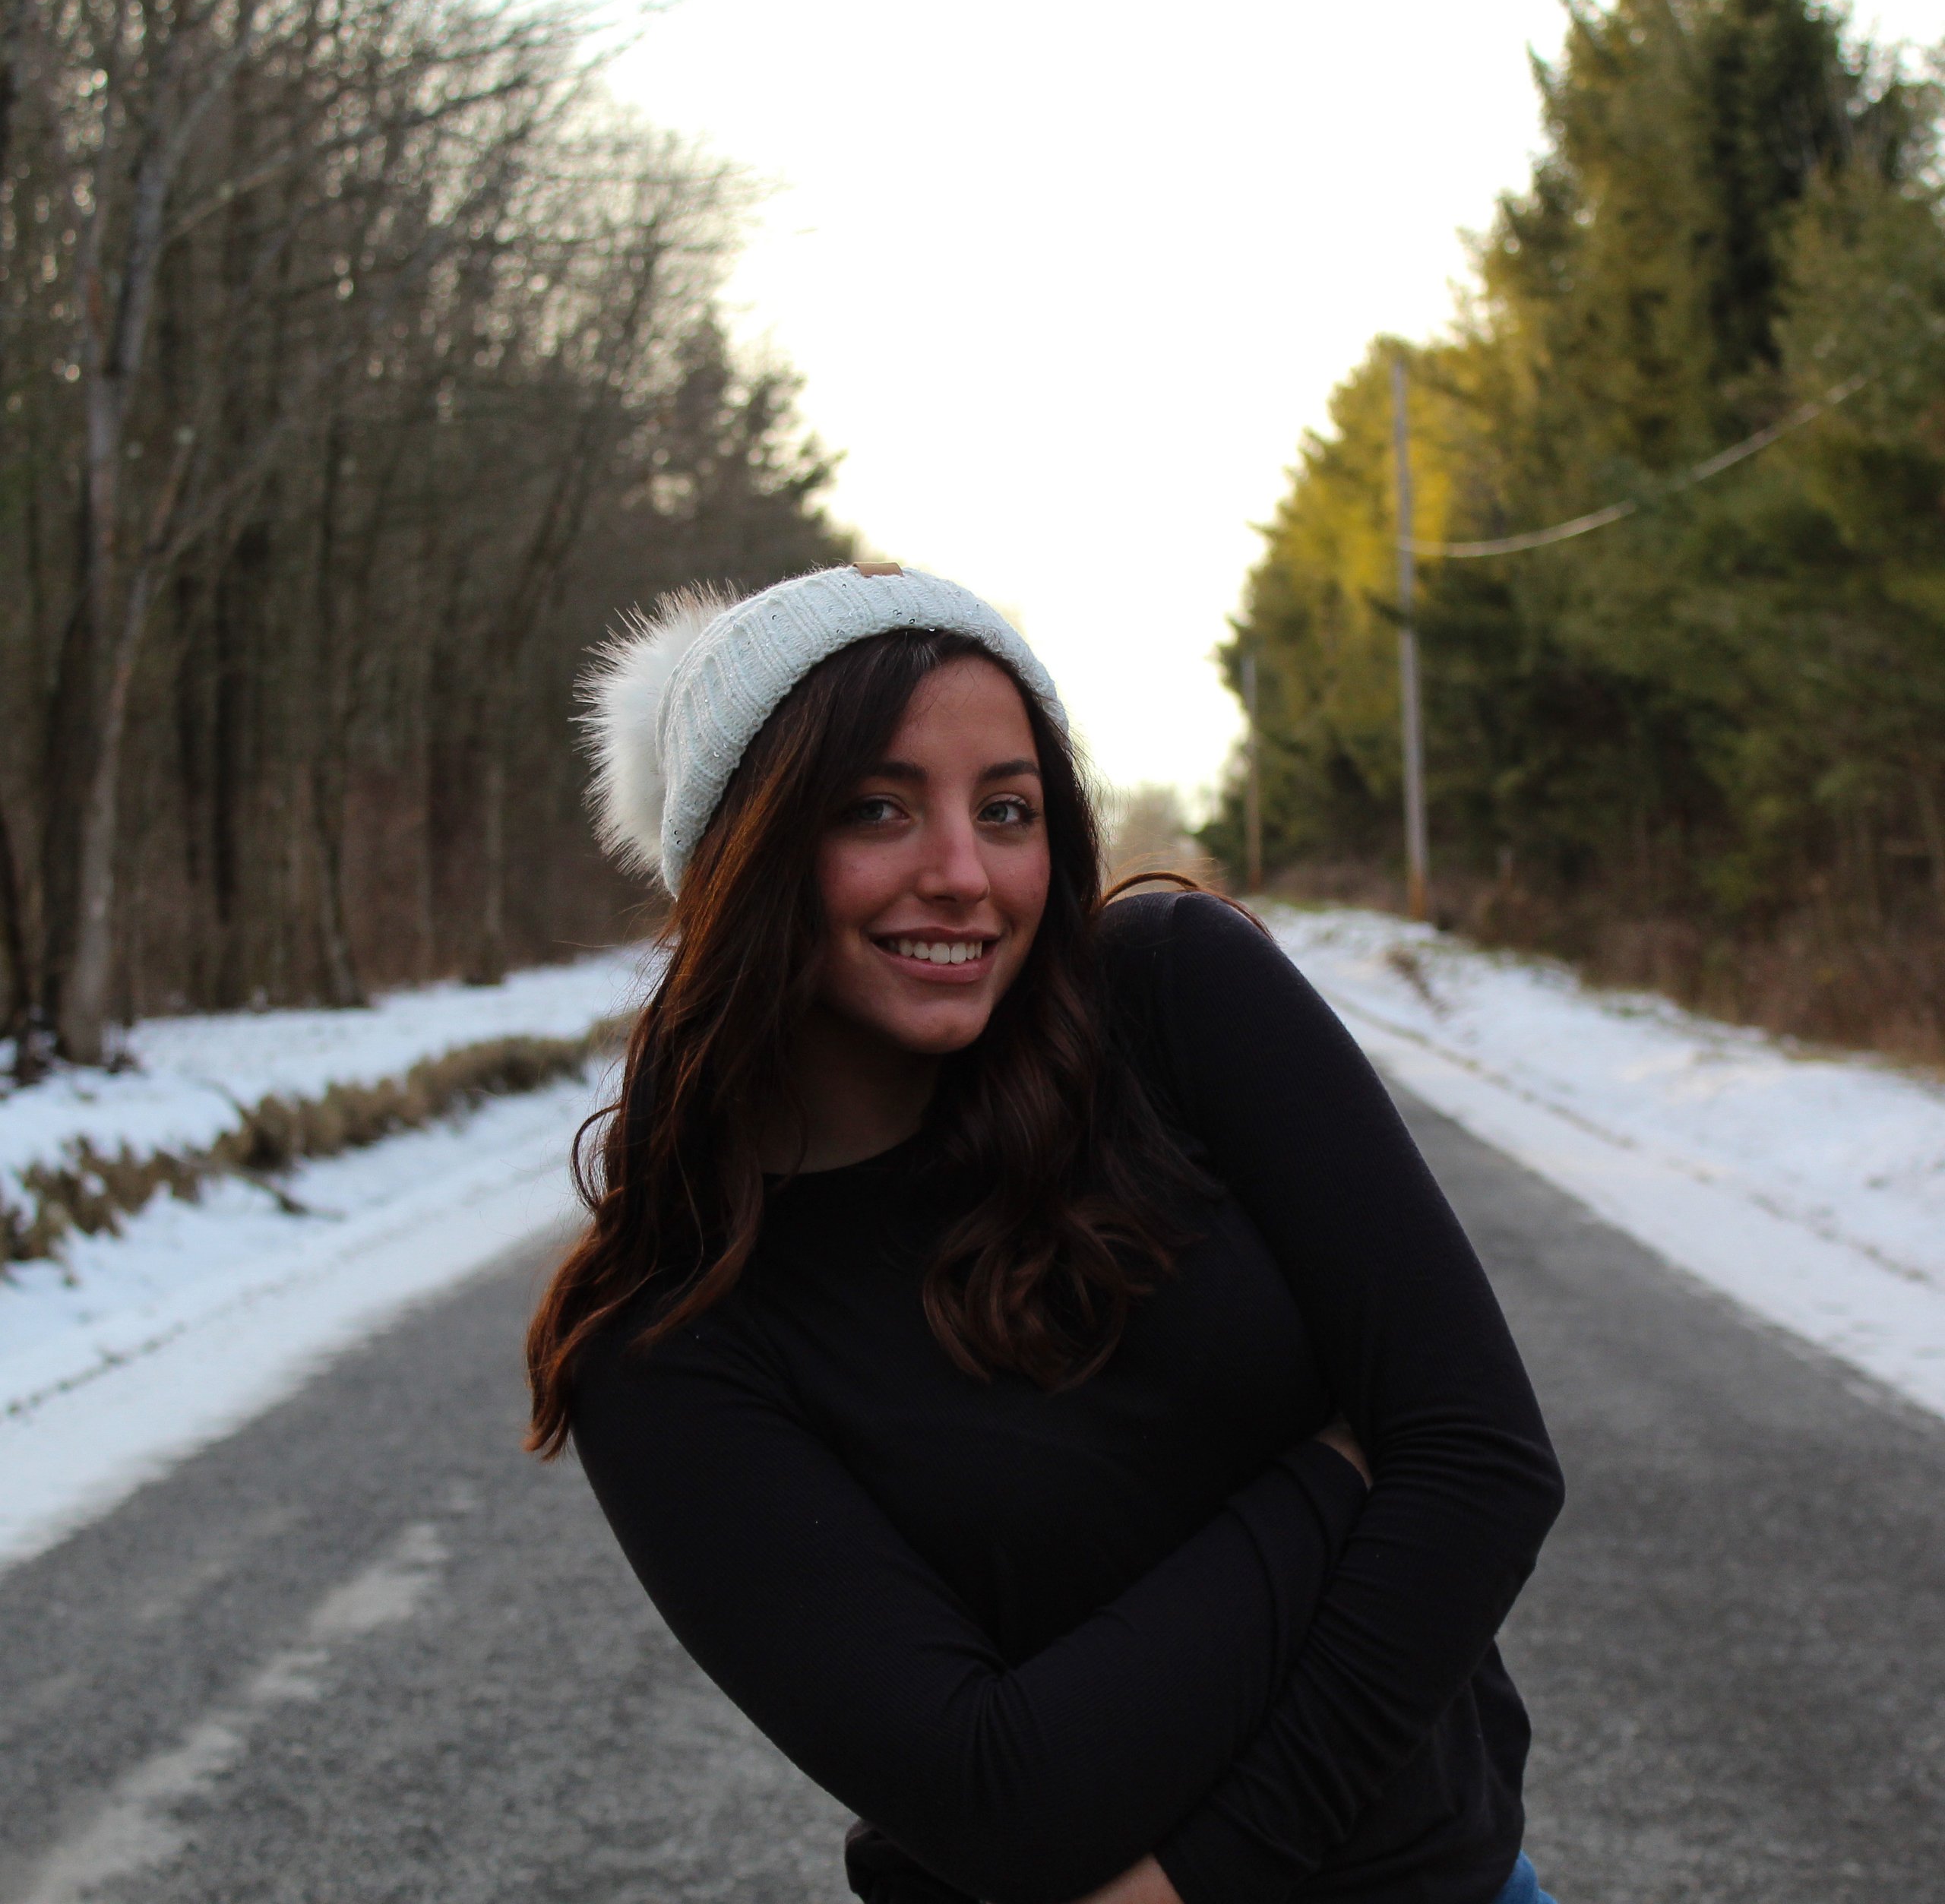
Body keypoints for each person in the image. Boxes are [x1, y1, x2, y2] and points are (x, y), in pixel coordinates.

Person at [526, 563, 1566, 1904]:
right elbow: (998, 1794)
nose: (963, 875)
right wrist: (1347, 1471)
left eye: (1006, 810)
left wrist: (1193, 1883)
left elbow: (1489, 1464)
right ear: (743, 851)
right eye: (877, 808)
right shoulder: (669, 1339)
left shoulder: (1174, 1001)